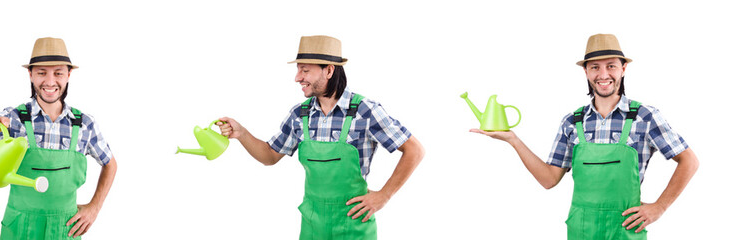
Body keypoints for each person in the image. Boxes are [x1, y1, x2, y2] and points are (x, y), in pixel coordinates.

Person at [471, 33, 699, 239]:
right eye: (595, 67)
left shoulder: (645, 116)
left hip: (625, 228)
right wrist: (513, 140)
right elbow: (549, 180)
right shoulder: (572, 122)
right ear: (586, 71)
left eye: (611, 66)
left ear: (623, 68)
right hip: (581, 229)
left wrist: (659, 207)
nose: (603, 75)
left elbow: (689, 160)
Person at [217, 35, 425, 239]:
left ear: (329, 70)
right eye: (298, 70)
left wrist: (384, 195)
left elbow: (414, 150)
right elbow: (270, 155)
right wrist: (241, 133)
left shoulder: (365, 111)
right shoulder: (300, 115)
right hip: (312, 226)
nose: (297, 78)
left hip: (353, 225)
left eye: (305, 70)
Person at [0, 37, 118, 239]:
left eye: (58, 73)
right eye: (42, 73)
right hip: (20, 228)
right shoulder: (12, 120)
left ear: (69, 74)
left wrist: (94, 208)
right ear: (30, 74)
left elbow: (110, 164)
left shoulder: (84, 124)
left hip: (65, 229)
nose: (50, 82)